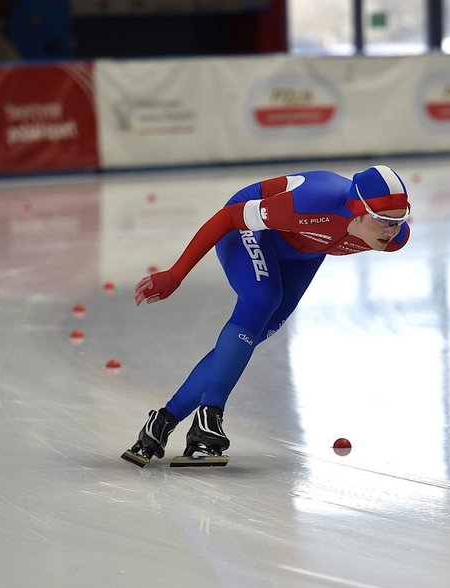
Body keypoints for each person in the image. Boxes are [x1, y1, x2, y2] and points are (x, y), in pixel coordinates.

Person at [122, 165, 412, 467]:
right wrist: (176, 273)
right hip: (251, 228)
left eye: (398, 220)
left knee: (253, 334)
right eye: (383, 221)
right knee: (262, 298)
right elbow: (227, 218)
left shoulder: (395, 239)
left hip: (303, 255)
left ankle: (162, 423)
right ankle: (209, 419)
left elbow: (373, 231)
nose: (391, 231)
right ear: (358, 210)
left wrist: (388, 224)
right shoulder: (313, 201)